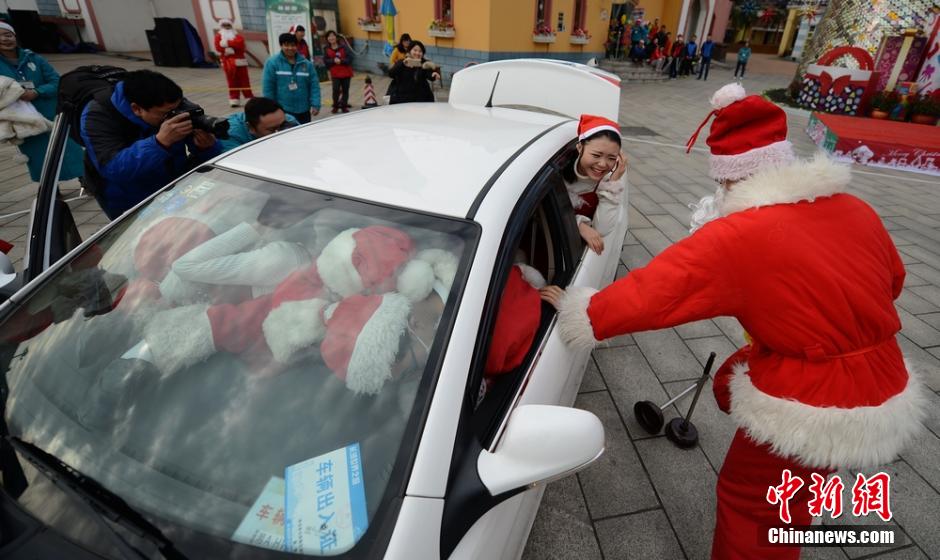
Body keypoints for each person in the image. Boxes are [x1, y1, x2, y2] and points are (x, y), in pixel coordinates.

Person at [545, 83, 927, 560]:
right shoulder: (855, 207)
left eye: (722, 183)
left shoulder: (739, 236)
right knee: (796, 493)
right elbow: (892, 281)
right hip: (881, 379)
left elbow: (657, 290)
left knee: (755, 505)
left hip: (807, 398)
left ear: (732, 178)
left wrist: (586, 311)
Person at [80, 70, 221, 219]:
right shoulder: (97, 116)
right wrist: (160, 143)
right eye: (165, 114)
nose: (173, 116)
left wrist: (207, 147)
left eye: (176, 108)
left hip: (173, 188)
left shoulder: (169, 102)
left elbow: (208, 152)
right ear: (137, 109)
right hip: (127, 199)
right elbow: (114, 168)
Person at [0, 21, 84, 183]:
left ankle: (86, 180)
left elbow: (56, 80)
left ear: (15, 37)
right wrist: (14, 94)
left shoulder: (34, 58)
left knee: (69, 147)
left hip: (50, 110)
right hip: (22, 118)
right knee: (38, 154)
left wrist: (38, 92)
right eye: (0, 36)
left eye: (8, 35)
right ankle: (51, 189)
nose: (5, 39)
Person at [563, 115, 627, 255]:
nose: (603, 164)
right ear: (580, 148)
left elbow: (602, 230)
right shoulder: (558, 172)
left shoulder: (611, 179)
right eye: (596, 155)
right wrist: (578, 224)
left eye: (611, 158)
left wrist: (612, 183)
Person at [262, 33, 321, 124]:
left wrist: (316, 104)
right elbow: (268, 88)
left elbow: (314, 85)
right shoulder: (272, 63)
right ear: (281, 46)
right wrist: (271, 108)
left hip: (304, 110)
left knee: (304, 134)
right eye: (286, 45)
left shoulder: (306, 64)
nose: (290, 48)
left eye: (293, 45)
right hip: (283, 110)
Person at [218, 96, 298, 152]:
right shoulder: (228, 134)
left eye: (283, 124)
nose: (280, 132)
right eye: (272, 129)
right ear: (251, 127)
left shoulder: (288, 120)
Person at [214, 19, 253, 107]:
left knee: (244, 81)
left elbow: (241, 45)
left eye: (228, 25)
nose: (227, 27)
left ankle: (249, 97)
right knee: (232, 81)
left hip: (240, 61)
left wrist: (227, 43)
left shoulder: (237, 35)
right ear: (221, 26)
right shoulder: (218, 36)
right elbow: (218, 47)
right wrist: (232, 46)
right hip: (228, 63)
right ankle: (234, 98)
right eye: (224, 25)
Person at [323, 30, 353, 113]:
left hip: (346, 72)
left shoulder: (344, 47)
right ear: (327, 39)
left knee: (345, 90)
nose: (331, 38)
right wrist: (333, 60)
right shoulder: (326, 49)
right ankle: (335, 106)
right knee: (335, 90)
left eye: (333, 36)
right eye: (329, 36)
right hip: (335, 73)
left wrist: (341, 61)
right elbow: (325, 61)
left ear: (336, 37)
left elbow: (350, 58)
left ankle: (344, 106)